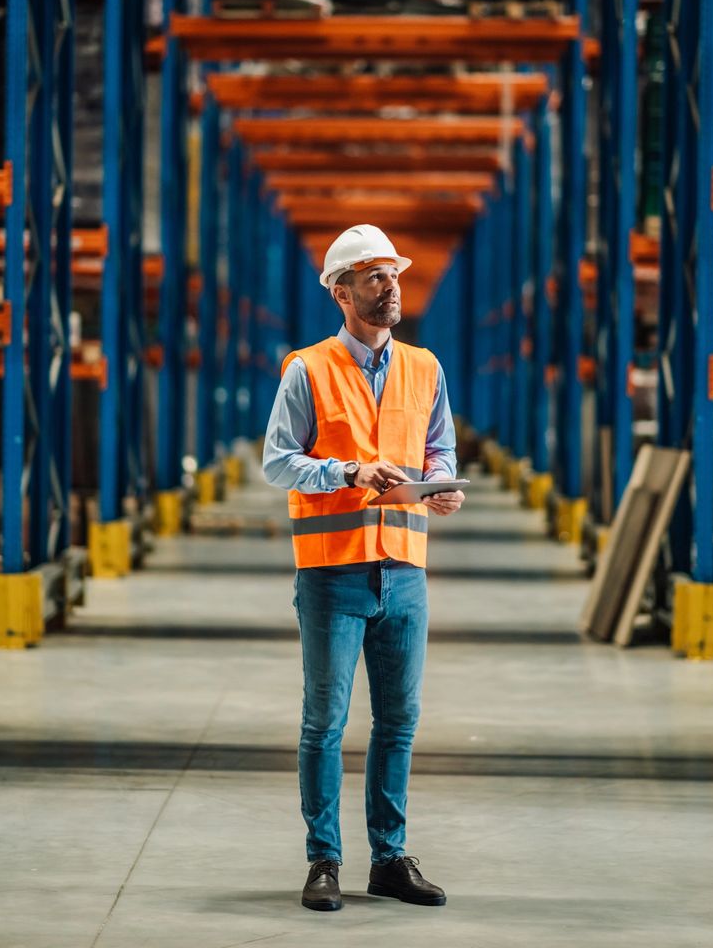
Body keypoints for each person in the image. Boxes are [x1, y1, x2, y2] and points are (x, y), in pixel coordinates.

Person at [263, 223, 465, 913]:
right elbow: (276, 459)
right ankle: (324, 860)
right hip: (333, 572)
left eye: (394, 275)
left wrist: (441, 483)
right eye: (375, 277)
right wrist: (346, 469)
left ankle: (389, 858)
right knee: (325, 720)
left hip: (404, 571)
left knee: (399, 720)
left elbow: (440, 448)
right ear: (341, 291)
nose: (390, 286)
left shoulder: (425, 367)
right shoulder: (308, 369)